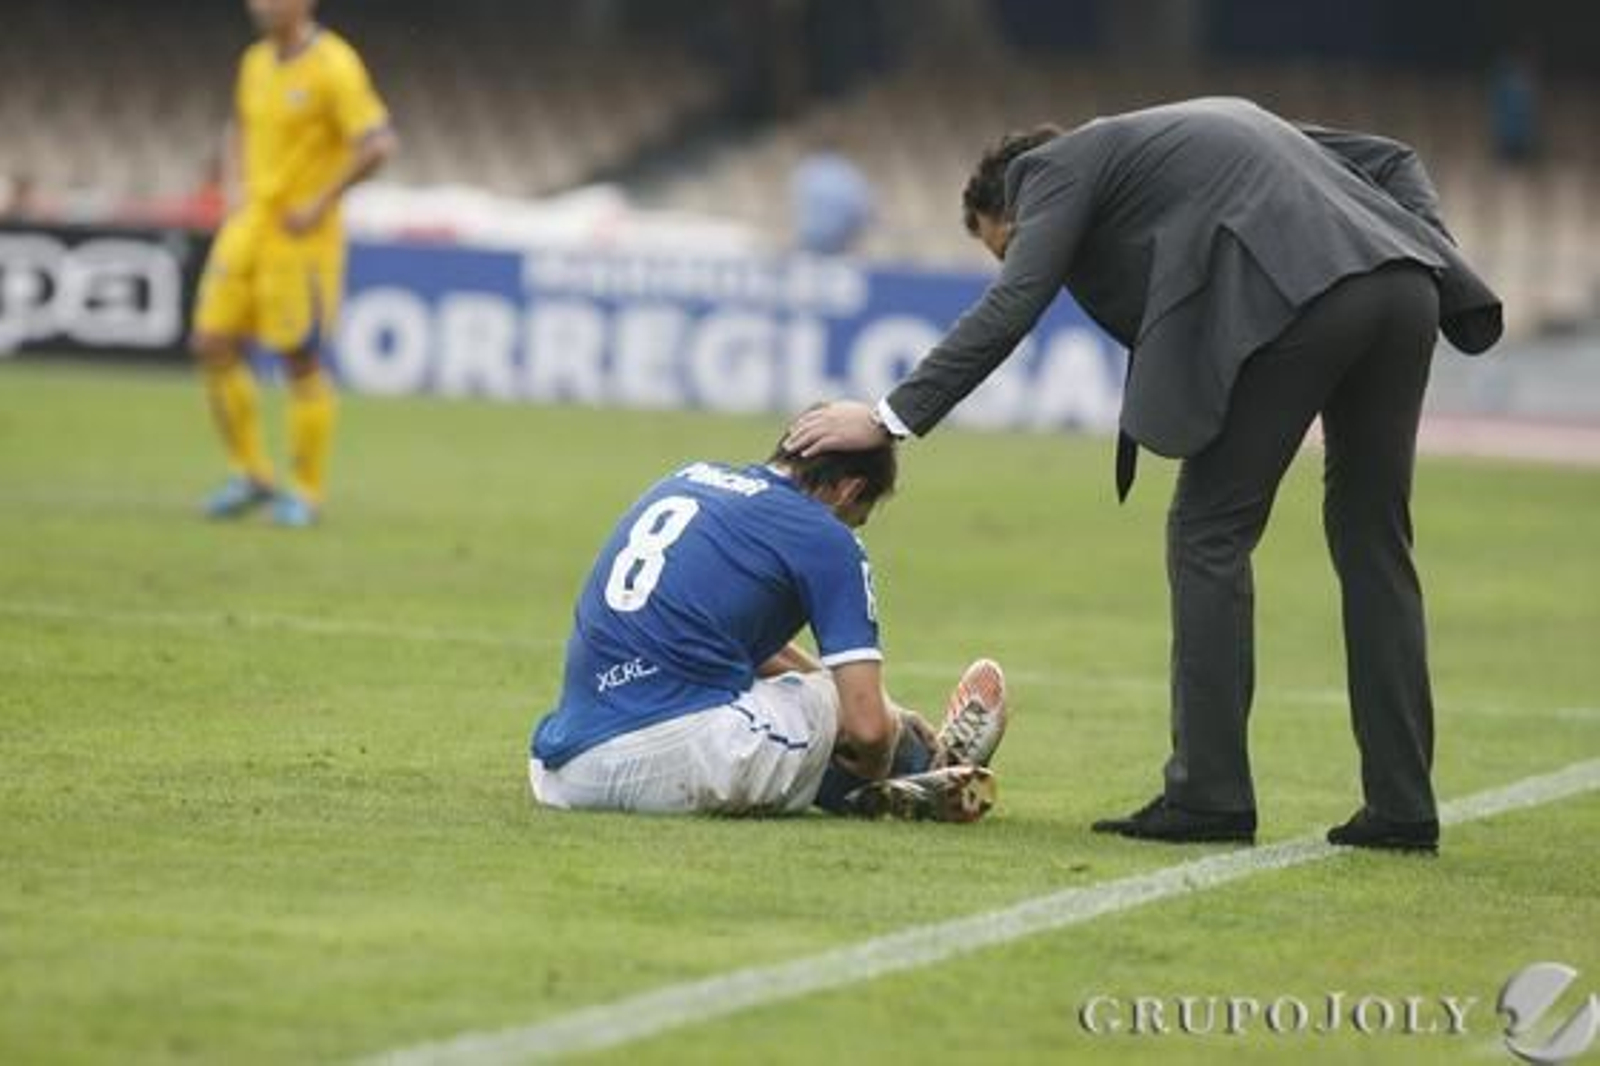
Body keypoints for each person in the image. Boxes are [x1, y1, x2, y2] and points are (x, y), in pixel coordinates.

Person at [785, 97, 1503, 853]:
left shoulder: (1049, 171)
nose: (1032, 260)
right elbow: (1392, 157)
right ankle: (1402, 808)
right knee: (1373, 544)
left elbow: (1016, 301)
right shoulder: (1192, 135)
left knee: (1207, 534)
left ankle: (1210, 796)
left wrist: (890, 417)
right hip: (1404, 290)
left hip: (1306, 300)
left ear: (1015, 196)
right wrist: (1424, 247)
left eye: (1010, 244)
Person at [529, 430, 1010, 820]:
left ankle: (914, 770)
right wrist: (885, 733)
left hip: (563, 770)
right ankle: (931, 769)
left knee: (825, 695)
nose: (853, 525)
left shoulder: (689, 479)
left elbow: (737, 644)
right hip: (669, 755)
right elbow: (865, 730)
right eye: (859, 516)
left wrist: (876, 710)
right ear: (850, 490)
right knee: (839, 706)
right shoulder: (824, 535)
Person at [190, 0, 396, 527]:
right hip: (250, 225)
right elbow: (237, 125)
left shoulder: (334, 65)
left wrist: (321, 202)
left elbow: (378, 144)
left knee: (298, 358)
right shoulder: (254, 61)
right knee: (211, 341)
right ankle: (252, 474)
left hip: (302, 238)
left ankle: (305, 491)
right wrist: (234, 185)